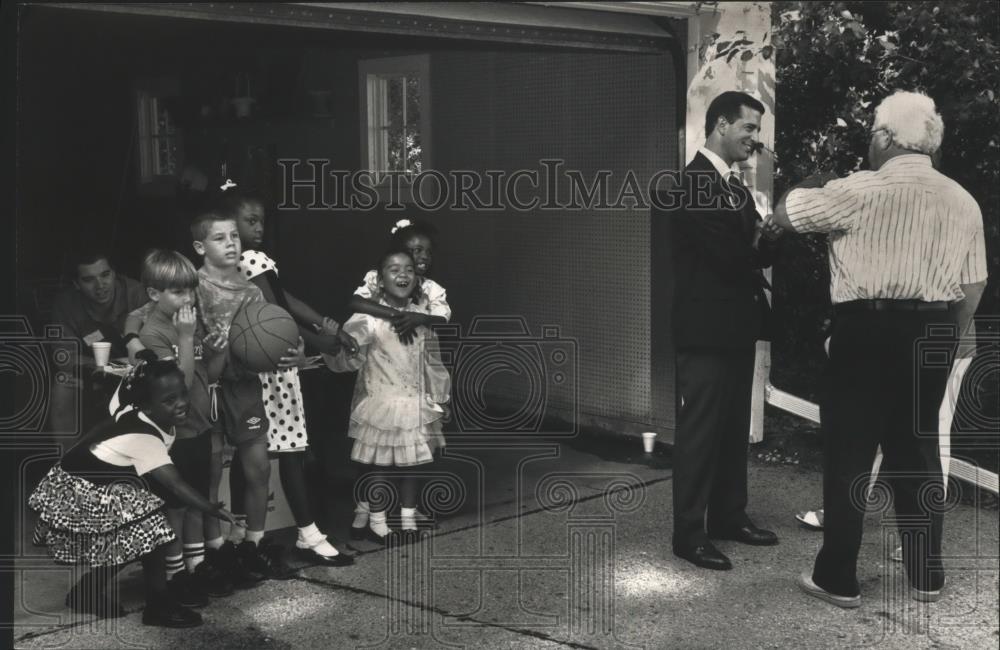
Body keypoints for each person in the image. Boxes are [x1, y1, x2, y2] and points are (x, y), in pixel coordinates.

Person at [771, 91, 987, 607]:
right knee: (918, 454)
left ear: (887, 138)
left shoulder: (858, 190)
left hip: (863, 331)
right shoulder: (963, 200)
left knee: (849, 452)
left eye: (873, 131)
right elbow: (973, 285)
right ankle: (925, 576)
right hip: (933, 332)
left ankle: (838, 578)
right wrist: (946, 337)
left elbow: (783, 216)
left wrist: (811, 180)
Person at [658, 90, 782, 571]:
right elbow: (728, 256)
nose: (755, 138)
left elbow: (748, 255)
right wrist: (763, 241)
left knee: (732, 430)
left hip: (735, 326)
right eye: (749, 128)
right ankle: (688, 535)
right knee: (701, 432)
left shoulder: (733, 185)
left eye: (757, 130)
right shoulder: (692, 183)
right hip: (705, 329)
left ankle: (729, 517)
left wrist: (771, 239)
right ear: (721, 126)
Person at [28, 354, 239, 628]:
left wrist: (144, 367)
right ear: (148, 407)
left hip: (90, 482)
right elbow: (175, 483)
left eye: (182, 393)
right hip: (76, 492)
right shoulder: (143, 439)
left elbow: (122, 392)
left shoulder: (132, 408)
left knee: (132, 535)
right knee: (151, 532)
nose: (181, 403)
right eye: (169, 400)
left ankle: (85, 592)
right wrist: (212, 509)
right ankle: (158, 607)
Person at [223, 187, 354, 566]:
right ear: (232, 227)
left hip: (258, 366)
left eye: (261, 219)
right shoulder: (250, 259)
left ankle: (241, 535)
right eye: (250, 220)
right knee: (292, 453)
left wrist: (320, 325)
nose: (258, 226)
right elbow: (279, 309)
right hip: (274, 367)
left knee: (251, 453)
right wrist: (321, 343)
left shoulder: (245, 263)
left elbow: (284, 296)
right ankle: (307, 535)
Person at [324, 249, 451, 545]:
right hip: (382, 402)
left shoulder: (423, 318)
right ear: (379, 281)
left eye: (408, 269)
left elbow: (432, 362)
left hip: (415, 403)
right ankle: (376, 521)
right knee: (379, 466)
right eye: (394, 270)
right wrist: (336, 340)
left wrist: (440, 398)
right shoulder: (369, 318)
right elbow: (352, 351)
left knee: (413, 464)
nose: (403, 275)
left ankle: (407, 519)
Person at [190, 207, 288, 581]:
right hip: (207, 388)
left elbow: (270, 339)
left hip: (245, 386)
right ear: (200, 246)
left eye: (234, 236)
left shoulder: (251, 292)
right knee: (210, 469)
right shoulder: (193, 287)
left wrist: (284, 350)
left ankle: (254, 543)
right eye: (219, 237)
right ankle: (215, 551)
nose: (230, 243)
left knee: (257, 466)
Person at [136, 250, 235, 603]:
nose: (188, 299)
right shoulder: (155, 333)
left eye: (190, 291)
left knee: (195, 503)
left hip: (199, 427)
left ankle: (196, 569)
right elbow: (178, 385)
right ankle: (174, 576)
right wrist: (188, 337)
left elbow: (211, 376)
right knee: (175, 508)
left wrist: (217, 350)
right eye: (178, 292)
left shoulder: (187, 323)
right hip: (174, 435)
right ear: (153, 295)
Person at [48, 248, 149, 433]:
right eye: (88, 279)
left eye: (105, 275)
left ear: (115, 274)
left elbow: (154, 348)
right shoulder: (66, 304)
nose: (100, 285)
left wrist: (120, 367)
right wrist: (105, 368)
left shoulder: (136, 293)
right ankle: (66, 460)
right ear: (76, 284)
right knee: (62, 386)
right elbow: (63, 357)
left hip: (137, 370)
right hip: (93, 373)